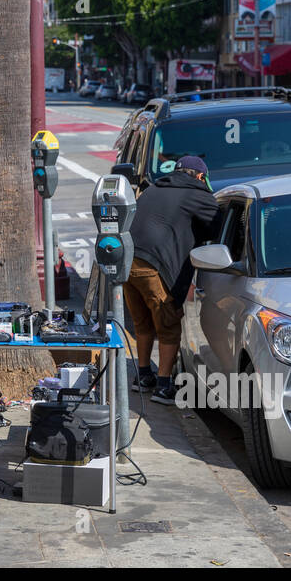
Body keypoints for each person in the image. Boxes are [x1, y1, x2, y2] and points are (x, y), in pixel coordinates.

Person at [123, 155, 220, 404]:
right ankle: (164, 386)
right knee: (168, 325)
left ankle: (143, 376)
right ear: (200, 176)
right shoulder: (197, 194)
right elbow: (216, 227)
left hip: (126, 262)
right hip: (153, 265)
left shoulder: (154, 188)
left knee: (142, 322)